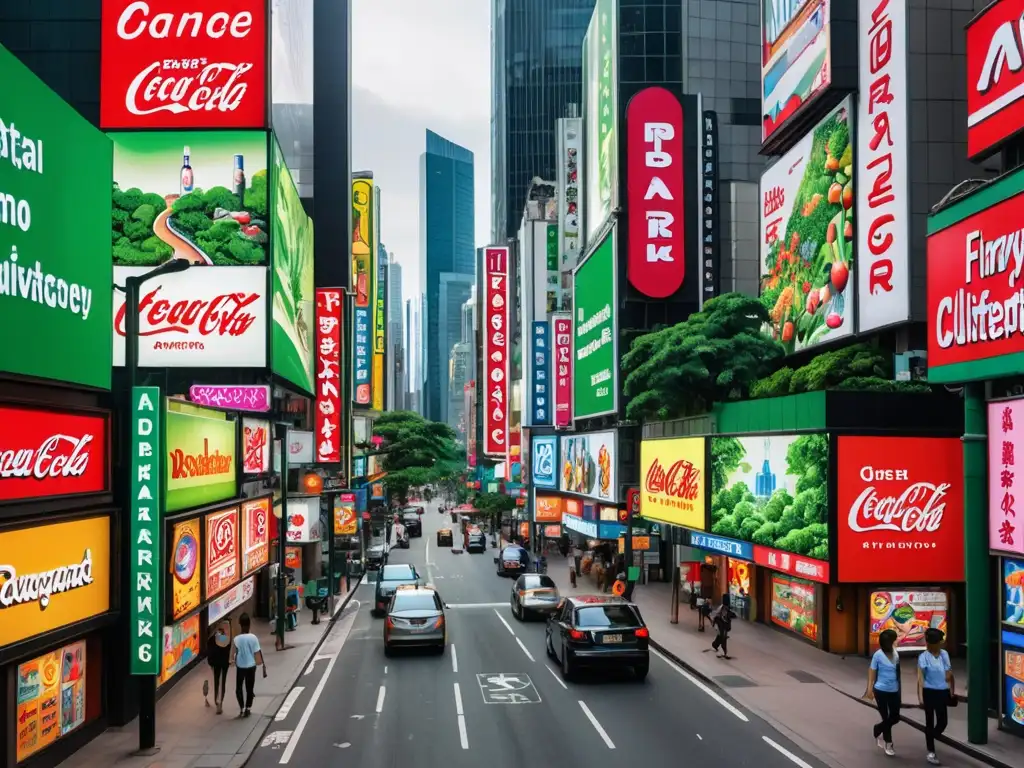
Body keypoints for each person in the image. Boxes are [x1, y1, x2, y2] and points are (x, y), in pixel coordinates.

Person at [918, 627, 954, 765]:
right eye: (940, 641)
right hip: (929, 692)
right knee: (929, 720)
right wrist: (920, 697)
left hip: (943, 691)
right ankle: (931, 751)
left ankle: (931, 736)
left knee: (943, 721)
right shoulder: (923, 657)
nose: (942, 643)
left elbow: (948, 673)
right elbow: (920, 679)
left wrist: (950, 687)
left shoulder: (944, 654)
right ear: (932, 643)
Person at [865, 628, 901, 756]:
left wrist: (899, 690)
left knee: (895, 717)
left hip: (894, 690)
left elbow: (898, 673)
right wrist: (869, 689)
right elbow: (872, 671)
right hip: (880, 690)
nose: (896, 642)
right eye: (894, 640)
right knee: (886, 717)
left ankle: (878, 728)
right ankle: (889, 743)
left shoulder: (896, 654)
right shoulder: (878, 655)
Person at [231, 613, 266, 717]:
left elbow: (234, 653)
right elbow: (257, 652)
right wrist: (263, 664)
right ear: (249, 624)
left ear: (240, 624)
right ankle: (248, 708)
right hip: (251, 666)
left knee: (238, 688)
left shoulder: (236, 639)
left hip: (240, 666)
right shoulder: (253, 638)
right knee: (249, 688)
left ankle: (241, 708)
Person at [207, 621, 231, 714]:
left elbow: (210, 652)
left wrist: (211, 663)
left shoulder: (212, 639)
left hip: (215, 663)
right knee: (222, 681)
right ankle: (219, 702)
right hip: (224, 663)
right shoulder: (226, 639)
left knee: (217, 681)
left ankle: (217, 701)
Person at [710, 594, 734, 658]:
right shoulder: (722, 608)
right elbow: (721, 617)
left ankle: (715, 645)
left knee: (721, 636)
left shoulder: (725, 608)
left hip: (722, 624)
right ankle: (723, 651)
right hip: (720, 623)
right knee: (723, 636)